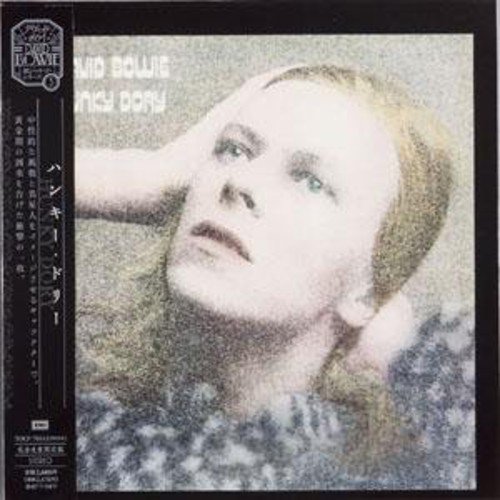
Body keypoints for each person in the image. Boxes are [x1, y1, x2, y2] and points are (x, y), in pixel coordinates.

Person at [75, 65, 474, 490]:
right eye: (233, 150)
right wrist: (131, 178)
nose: (239, 181)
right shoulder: (87, 433)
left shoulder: (403, 476)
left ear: (370, 293)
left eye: (311, 182)